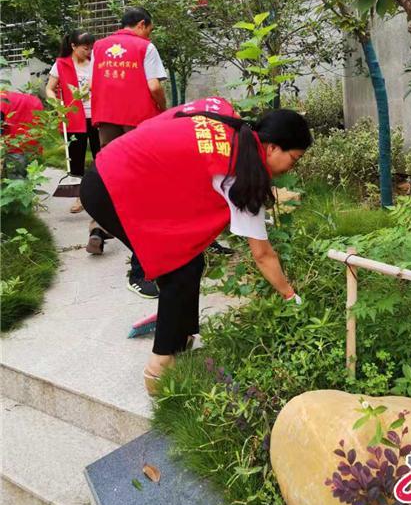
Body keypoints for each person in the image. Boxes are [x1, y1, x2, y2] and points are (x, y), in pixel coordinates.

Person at [80, 96, 312, 393]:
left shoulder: (228, 122)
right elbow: (263, 254)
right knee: (177, 271)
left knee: (190, 260)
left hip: (118, 169)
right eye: (294, 159)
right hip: (112, 187)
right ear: (272, 147)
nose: (292, 168)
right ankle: (159, 370)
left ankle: (181, 341)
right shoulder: (243, 175)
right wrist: (291, 297)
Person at [87, 7, 167, 298]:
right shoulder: (145, 46)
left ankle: (98, 226)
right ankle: (142, 230)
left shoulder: (98, 46)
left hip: (106, 116)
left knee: (109, 173)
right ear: (143, 24)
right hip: (139, 119)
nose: (149, 33)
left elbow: (96, 82)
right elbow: (154, 85)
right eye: (150, 28)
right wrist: (163, 107)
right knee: (141, 175)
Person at [46, 30, 99, 213]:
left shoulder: (96, 63)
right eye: (85, 48)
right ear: (73, 46)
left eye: (91, 48)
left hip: (98, 116)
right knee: (76, 159)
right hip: (74, 117)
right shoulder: (61, 65)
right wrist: (57, 106)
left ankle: (102, 195)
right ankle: (80, 197)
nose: (89, 51)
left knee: (101, 155)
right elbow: (49, 89)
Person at [0, 89, 43, 176]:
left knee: (16, 184)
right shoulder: (6, 96)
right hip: (33, 146)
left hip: (14, 149)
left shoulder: (2, 101)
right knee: (28, 181)